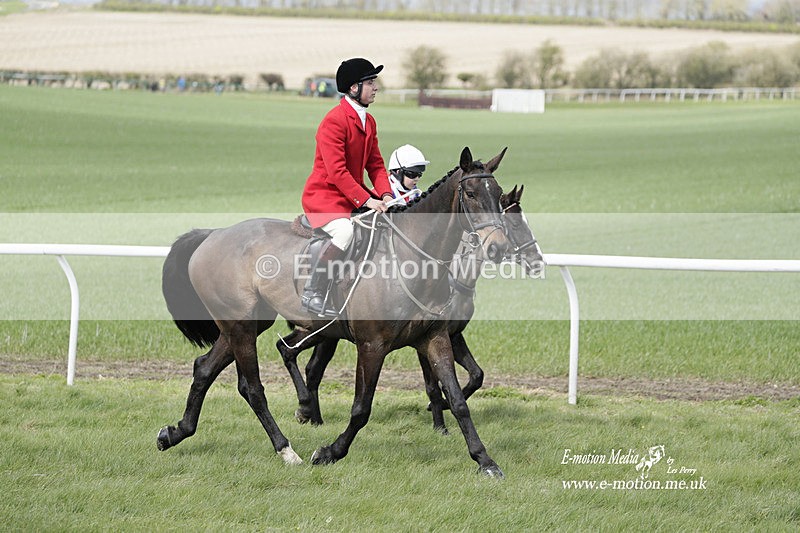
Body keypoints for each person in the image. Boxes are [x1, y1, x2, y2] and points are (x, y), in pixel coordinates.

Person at [300, 57, 394, 316]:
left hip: (351, 195)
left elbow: (375, 165)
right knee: (345, 233)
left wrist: (387, 195)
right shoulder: (334, 121)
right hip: (325, 197)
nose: (375, 87)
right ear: (354, 88)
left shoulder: (369, 121)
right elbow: (337, 172)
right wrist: (368, 201)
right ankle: (314, 291)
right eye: (370, 82)